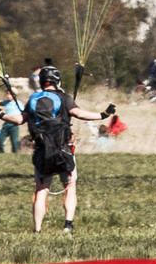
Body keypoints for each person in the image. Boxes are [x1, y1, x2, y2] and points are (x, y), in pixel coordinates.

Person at [19, 63, 109, 232]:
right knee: (69, 186)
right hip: (63, 150)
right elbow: (79, 114)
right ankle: (68, 224)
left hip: (42, 151)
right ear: (57, 80)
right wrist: (102, 115)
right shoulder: (64, 98)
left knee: (41, 190)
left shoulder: (33, 99)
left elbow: (19, 120)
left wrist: (0, 114)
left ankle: (37, 229)